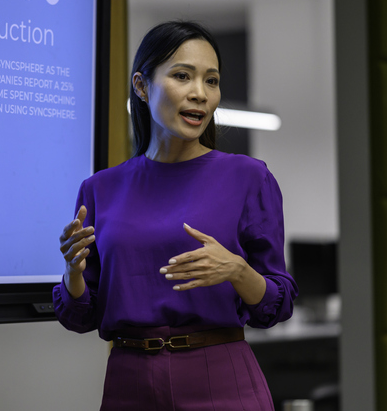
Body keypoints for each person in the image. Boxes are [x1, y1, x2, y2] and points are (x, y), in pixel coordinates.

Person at [53, 21, 298, 410]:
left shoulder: (249, 178)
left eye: (211, 80)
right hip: (128, 381)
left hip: (221, 377)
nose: (200, 93)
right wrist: (74, 273)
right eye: (183, 76)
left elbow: (276, 305)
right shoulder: (100, 189)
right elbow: (81, 316)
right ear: (142, 85)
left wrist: (237, 270)